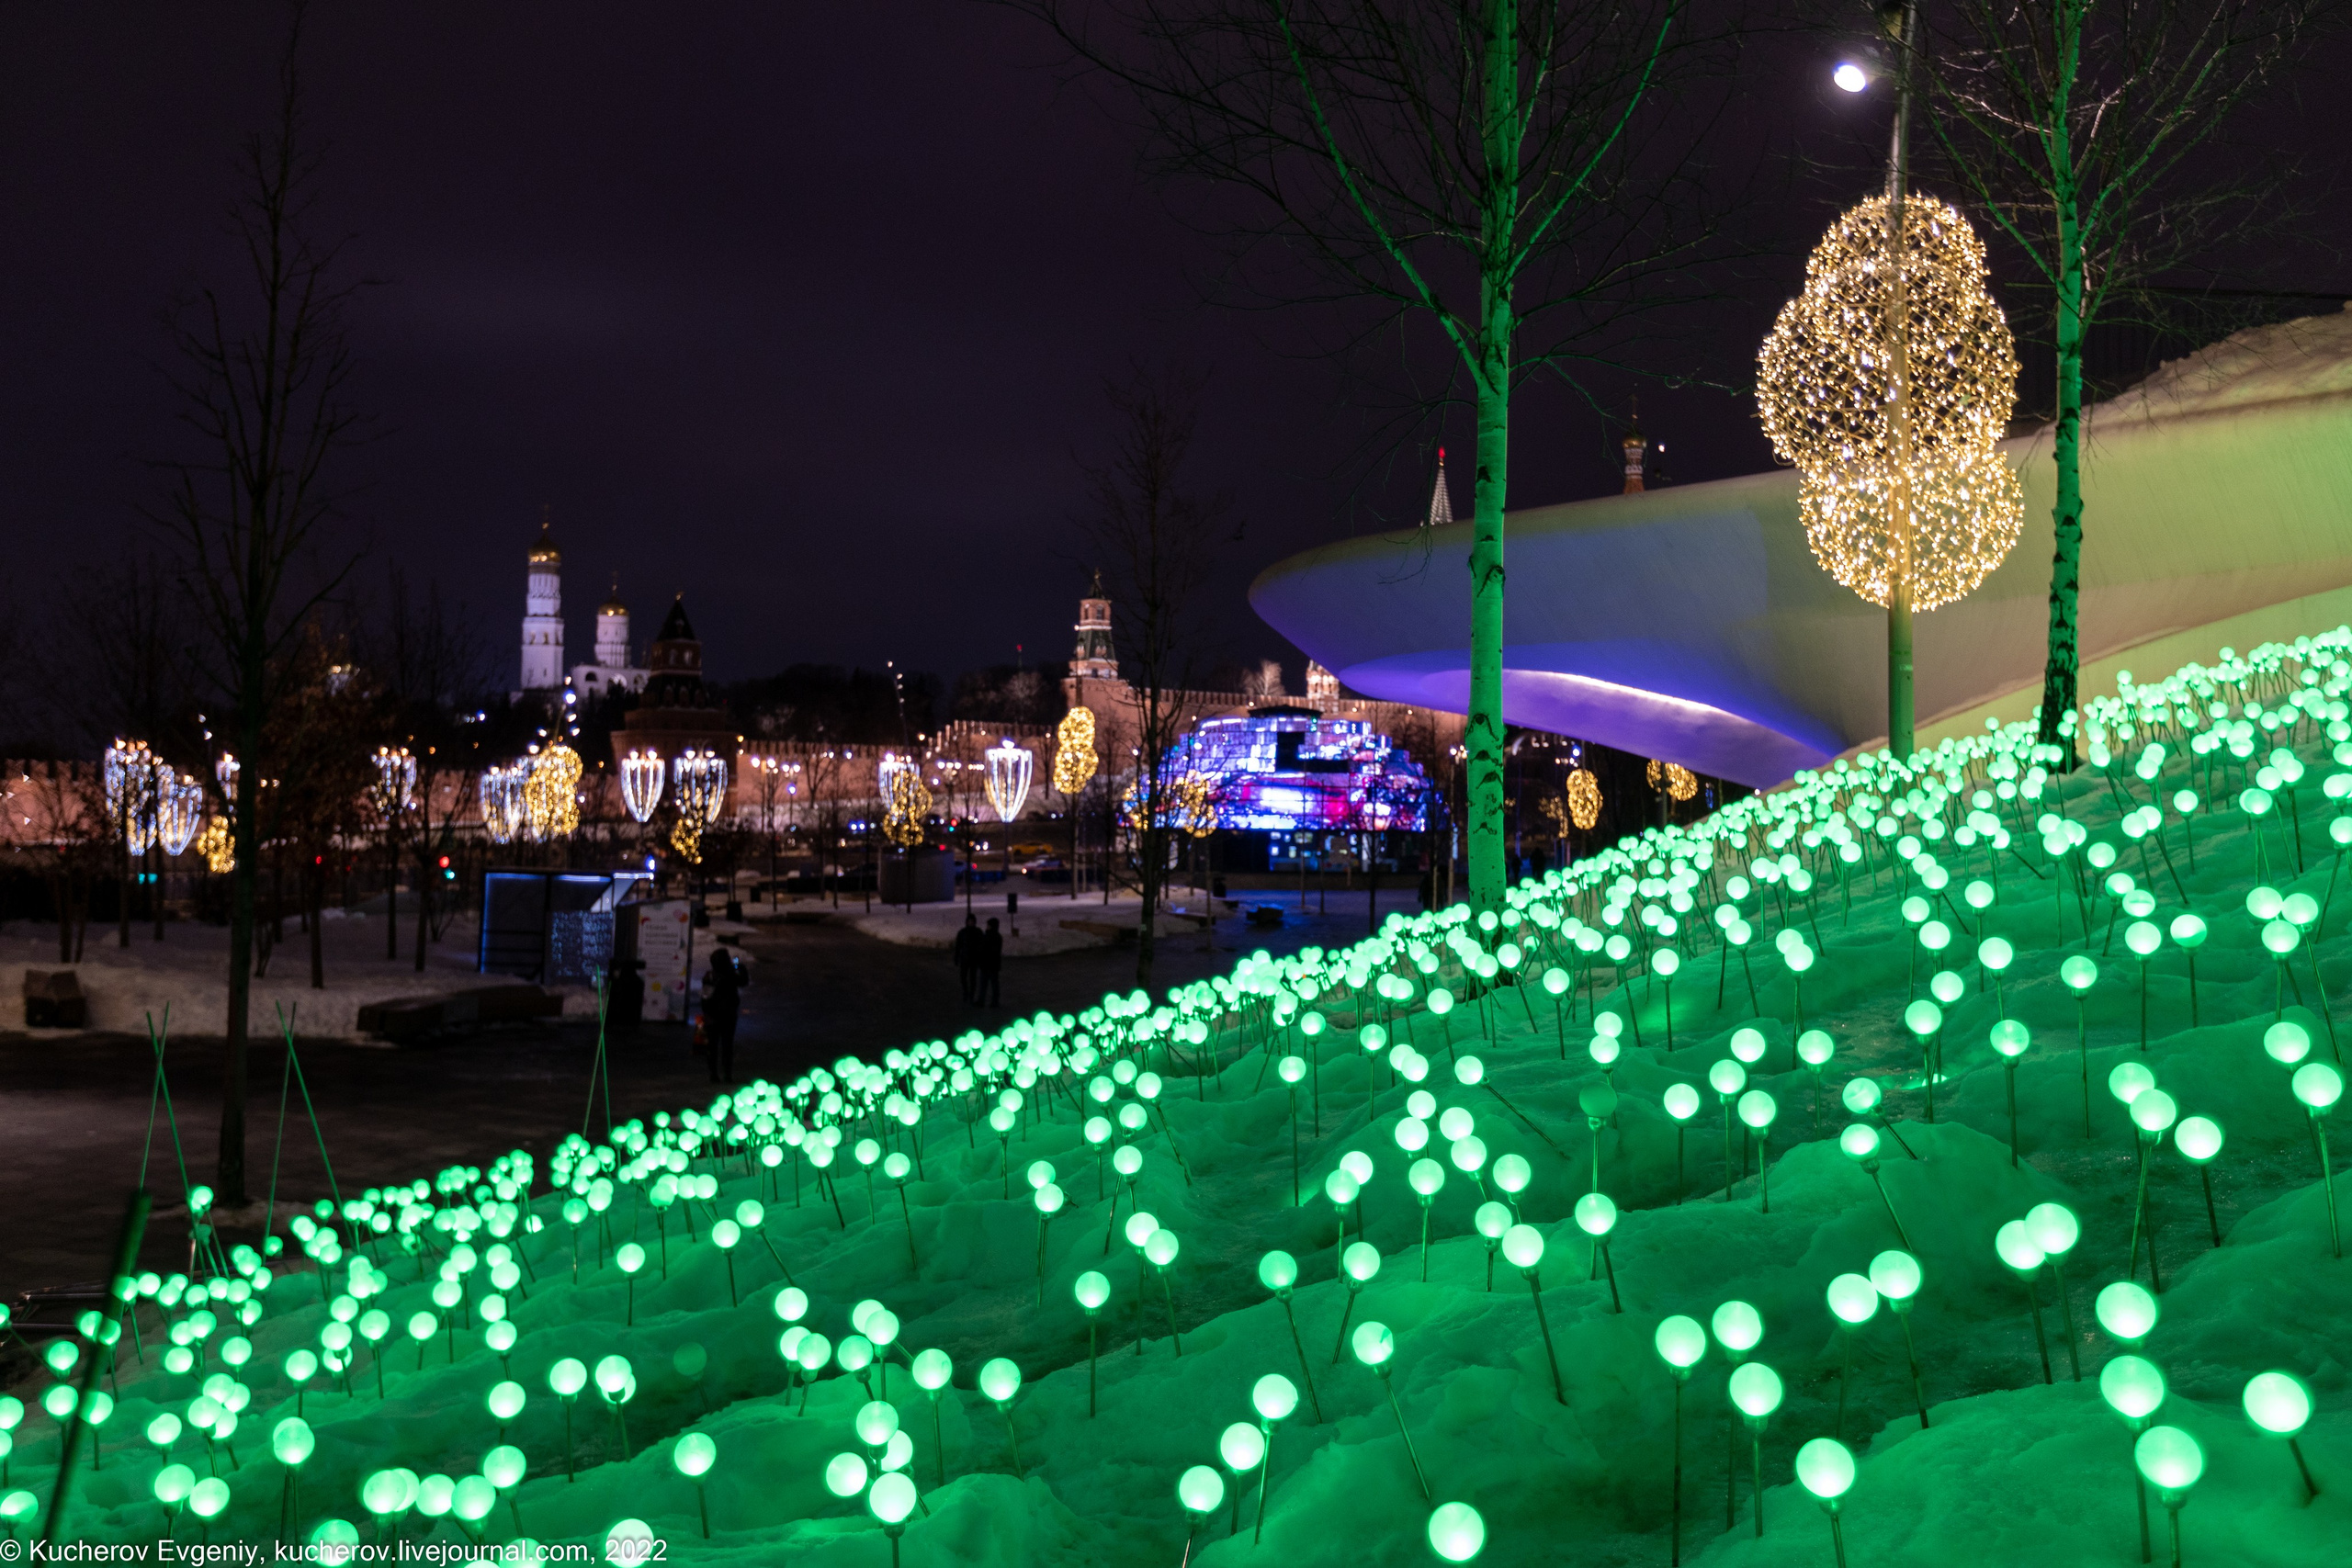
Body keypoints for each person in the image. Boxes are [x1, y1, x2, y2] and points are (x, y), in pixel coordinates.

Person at [701, 946, 746, 1083]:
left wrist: (706, 1013)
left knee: (712, 1046)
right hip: (728, 1015)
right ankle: (727, 1074)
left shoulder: (709, 976)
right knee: (727, 1045)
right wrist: (740, 968)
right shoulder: (730, 976)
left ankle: (714, 1074)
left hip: (713, 1016)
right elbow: (744, 981)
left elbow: (705, 996)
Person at [952, 912, 981, 1003]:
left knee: (973, 979)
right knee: (963, 977)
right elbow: (958, 946)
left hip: (974, 959)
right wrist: (956, 958)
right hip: (965, 958)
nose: (971, 923)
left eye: (972, 921)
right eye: (969, 921)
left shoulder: (978, 932)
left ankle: (971, 995)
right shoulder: (962, 932)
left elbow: (981, 946)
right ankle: (966, 992)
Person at [978, 917, 1004, 1008]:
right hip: (991, 965)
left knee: (988, 984)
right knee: (991, 984)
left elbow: (987, 950)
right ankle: (991, 1001)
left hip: (989, 964)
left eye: (989, 925)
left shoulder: (991, 937)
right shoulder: (995, 936)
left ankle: (986, 1001)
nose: (987, 927)